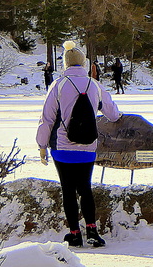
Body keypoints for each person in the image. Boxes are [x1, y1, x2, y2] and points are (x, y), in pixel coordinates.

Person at [35, 41, 122, 248]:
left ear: (65, 64)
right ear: (83, 63)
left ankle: (74, 233)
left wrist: (41, 145)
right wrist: (119, 116)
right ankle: (92, 230)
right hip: (88, 147)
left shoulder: (58, 85)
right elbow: (111, 113)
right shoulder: (94, 84)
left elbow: (47, 118)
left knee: (68, 190)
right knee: (85, 188)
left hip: (63, 148)